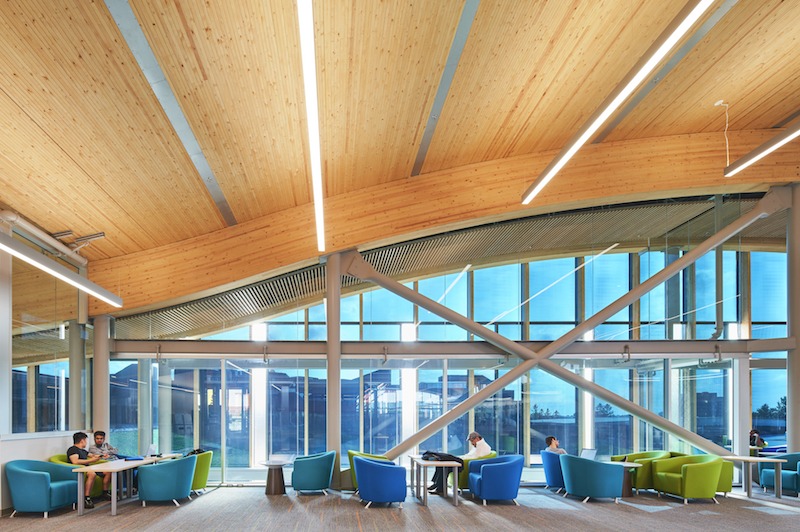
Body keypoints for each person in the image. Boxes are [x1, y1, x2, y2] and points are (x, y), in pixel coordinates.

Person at [427, 431, 492, 494]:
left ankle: (438, 486)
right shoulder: (478, 446)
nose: (471, 443)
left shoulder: (482, 447)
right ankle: (437, 485)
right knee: (442, 464)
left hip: (463, 463)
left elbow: (476, 459)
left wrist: (462, 458)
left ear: (477, 438)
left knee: (446, 458)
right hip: (462, 460)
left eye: (472, 441)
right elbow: (470, 455)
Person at [67, 431, 110, 509]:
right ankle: (86, 498)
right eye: (86, 440)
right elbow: (75, 461)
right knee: (92, 474)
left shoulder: (83, 450)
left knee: (107, 472)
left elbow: (93, 455)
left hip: (87, 468)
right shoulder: (73, 449)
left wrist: (102, 456)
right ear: (82, 440)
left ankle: (105, 492)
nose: (86, 443)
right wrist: (91, 461)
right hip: (79, 470)